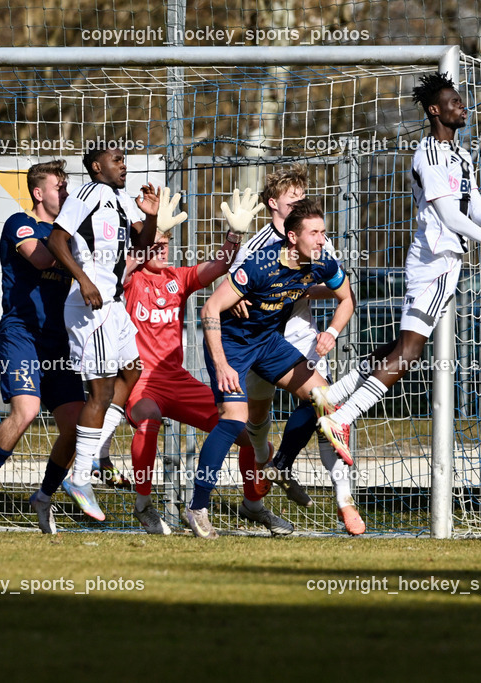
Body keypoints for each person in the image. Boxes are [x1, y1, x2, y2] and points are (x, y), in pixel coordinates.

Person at [315, 71, 481, 447]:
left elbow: (471, 206)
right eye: (455, 103)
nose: (463, 108)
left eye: (462, 102)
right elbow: (448, 217)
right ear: (435, 110)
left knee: (403, 345)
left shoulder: (461, 154)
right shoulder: (428, 155)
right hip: (433, 263)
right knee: (411, 352)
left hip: (448, 263)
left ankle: (332, 396)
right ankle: (342, 417)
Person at [119, 188, 294, 535]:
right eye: (157, 242)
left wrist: (234, 236)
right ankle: (143, 505)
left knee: (246, 434)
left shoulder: (178, 278)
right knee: (150, 419)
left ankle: (253, 506)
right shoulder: (128, 280)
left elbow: (221, 265)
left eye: (168, 242)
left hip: (176, 380)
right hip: (141, 382)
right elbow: (124, 266)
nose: (164, 248)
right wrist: (144, 238)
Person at [189, 197, 354, 539]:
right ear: (293, 238)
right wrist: (221, 365)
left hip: (268, 343)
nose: (323, 240)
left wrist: (332, 332)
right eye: (315, 233)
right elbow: (209, 309)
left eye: (324, 232)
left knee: (324, 398)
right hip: (233, 345)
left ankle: (280, 465)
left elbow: (347, 298)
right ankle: (198, 507)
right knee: (234, 419)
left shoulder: (321, 262)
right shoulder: (261, 263)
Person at [229, 165, 365, 535]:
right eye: (294, 199)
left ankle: (343, 500)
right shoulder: (256, 248)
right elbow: (232, 291)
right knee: (257, 422)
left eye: (304, 197)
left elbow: (340, 290)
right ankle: (257, 492)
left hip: (301, 334)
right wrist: (244, 299)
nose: (301, 203)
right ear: (274, 204)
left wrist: (301, 289)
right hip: (260, 338)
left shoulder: (314, 238)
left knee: (326, 408)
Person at [43, 141, 163, 526]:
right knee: (101, 389)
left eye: (125, 158)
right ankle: (79, 477)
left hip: (113, 305)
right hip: (89, 306)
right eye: (116, 159)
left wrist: (152, 216)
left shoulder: (121, 198)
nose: (123, 165)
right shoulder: (88, 194)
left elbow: (143, 245)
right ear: (97, 166)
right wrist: (82, 280)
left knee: (133, 370)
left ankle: (92, 450)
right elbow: (56, 239)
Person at [0, 160, 85, 534]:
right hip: (21, 333)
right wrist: (71, 237)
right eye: (59, 187)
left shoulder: (69, 234)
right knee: (27, 410)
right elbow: (42, 257)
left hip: (56, 340)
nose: (65, 194)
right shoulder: (21, 224)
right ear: (39, 193)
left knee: (77, 424)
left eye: (68, 188)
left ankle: (45, 495)